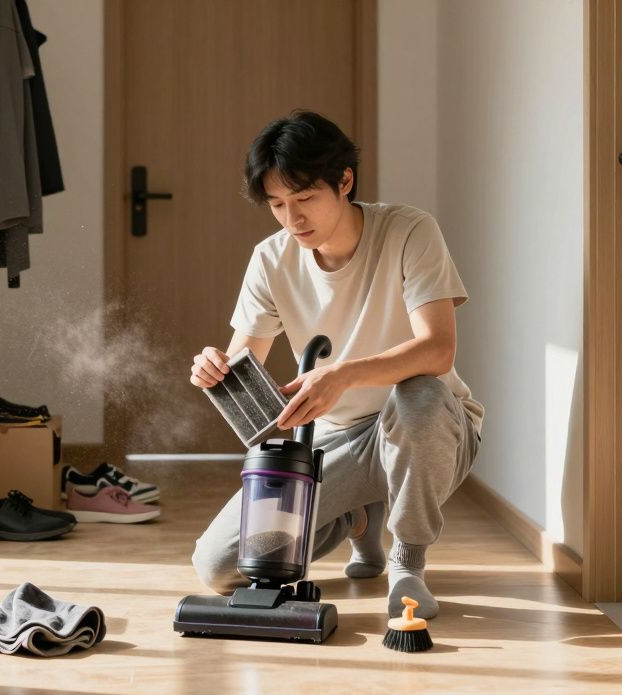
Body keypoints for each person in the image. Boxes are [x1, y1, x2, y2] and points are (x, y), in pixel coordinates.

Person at [188, 110, 484, 618]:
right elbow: (245, 361)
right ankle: (358, 521)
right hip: (335, 441)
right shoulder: (270, 259)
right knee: (218, 567)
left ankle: (407, 563)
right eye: (277, 204)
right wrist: (217, 369)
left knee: (419, 394)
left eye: (304, 199)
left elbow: (437, 350)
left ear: (345, 180)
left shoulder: (410, 230)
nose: (292, 218)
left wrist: (342, 373)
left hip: (429, 427)